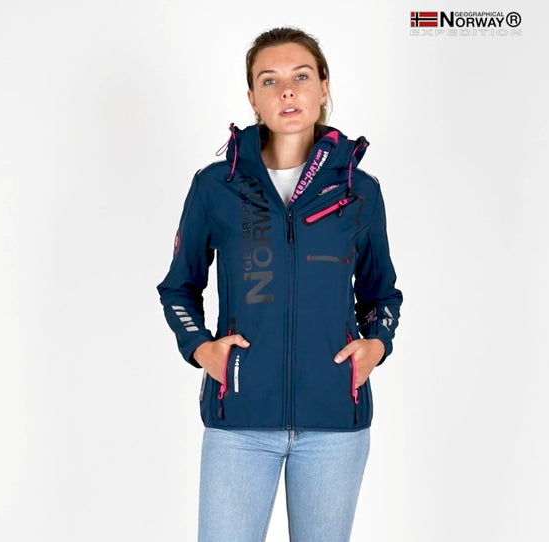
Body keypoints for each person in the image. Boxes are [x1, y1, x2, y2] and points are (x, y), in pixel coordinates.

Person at [157, 27, 403, 542]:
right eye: (269, 80)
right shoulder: (216, 186)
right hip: (240, 422)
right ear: (252, 98)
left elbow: (381, 294)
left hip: (335, 423)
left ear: (323, 88)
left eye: (301, 77)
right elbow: (178, 287)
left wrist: (376, 344)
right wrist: (201, 348)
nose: (287, 91)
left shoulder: (359, 191)